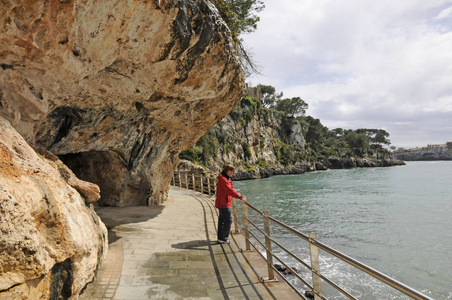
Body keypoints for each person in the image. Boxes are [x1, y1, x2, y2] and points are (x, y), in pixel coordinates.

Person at [215, 164, 244, 244]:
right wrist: (240, 196)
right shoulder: (224, 179)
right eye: (230, 170)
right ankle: (223, 238)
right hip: (223, 203)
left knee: (222, 220)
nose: (232, 172)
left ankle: (220, 238)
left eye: (233, 171)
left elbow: (229, 190)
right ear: (226, 170)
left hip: (223, 201)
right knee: (228, 220)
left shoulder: (225, 178)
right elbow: (229, 190)